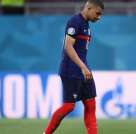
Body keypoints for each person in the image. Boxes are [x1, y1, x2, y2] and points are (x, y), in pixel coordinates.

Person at [43, 0, 104, 134]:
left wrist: (84, 67)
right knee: (69, 106)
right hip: (71, 70)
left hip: (84, 70)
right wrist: (82, 66)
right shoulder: (75, 21)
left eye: (101, 15)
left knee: (90, 104)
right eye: (97, 13)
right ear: (89, 8)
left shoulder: (86, 25)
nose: (99, 17)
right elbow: (68, 47)